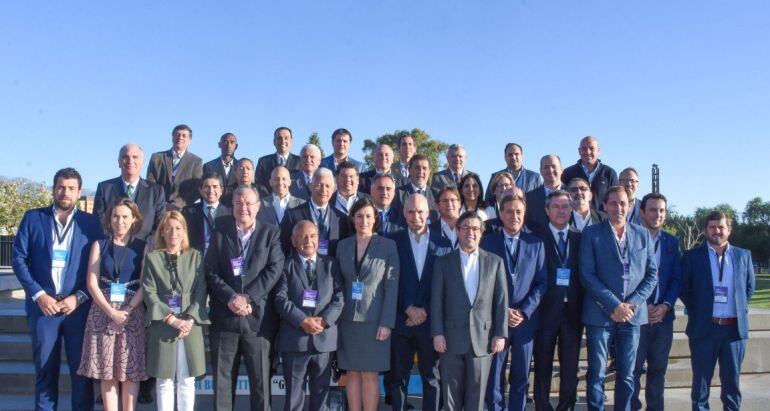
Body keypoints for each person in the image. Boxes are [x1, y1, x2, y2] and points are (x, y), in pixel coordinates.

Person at [12, 167, 103, 411]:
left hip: (78, 310)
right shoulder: (33, 218)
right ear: (54, 189)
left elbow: (98, 267)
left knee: (82, 378)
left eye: (71, 188)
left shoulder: (91, 224)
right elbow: (19, 259)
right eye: (61, 187)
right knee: (45, 374)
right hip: (44, 310)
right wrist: (39, 295)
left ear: (79, 192)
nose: (65, 192)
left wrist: (80, 297)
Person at [205, 185, 285, 411]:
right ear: (232, 208)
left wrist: (248, 297)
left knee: (260, 387)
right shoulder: (220, 230)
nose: (244, 208)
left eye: (249, 203)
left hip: (258, 321)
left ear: (258, 207)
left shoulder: (271, 232)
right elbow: (210, 270)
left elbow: (275, 268)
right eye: (239, 203)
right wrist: (231, 297)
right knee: (222, 386)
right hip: (225, 319)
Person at [579, 186, 658, 411]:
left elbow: (652, 275)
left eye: (623, 203)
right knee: (597, 372)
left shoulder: (642, 234)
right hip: (600, 315)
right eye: (613, 203)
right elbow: (587, 275)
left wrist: (630, 305)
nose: (619, 208)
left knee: (627, 373)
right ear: (604, 206)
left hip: (632, 317)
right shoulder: (592, 234)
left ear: (630, 205)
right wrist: (615, 305)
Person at [431, 212, 508, 411]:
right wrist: (437, 333)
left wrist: (500, 333)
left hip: (483, 340)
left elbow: (500, 301)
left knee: (477, 398)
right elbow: (436, 301)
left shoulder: (495, 262)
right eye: (465, 227)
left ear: (481, 233)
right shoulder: (443, 262)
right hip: (450, 339)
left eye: (475, 228)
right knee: (450, 399)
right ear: (457, 231)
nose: (470, 232)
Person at [77, 198, 149, 411]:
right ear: (110, 219)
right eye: (116, 216)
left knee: (130, 370)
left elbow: (145, 284)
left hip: (132, 313)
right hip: (102, 313)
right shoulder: (99, 245)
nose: (120, 221)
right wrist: (111, 312)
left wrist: (126, 312)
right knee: (106, 370)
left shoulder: (142, 247)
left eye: (125, 216)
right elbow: (92, 282)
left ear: (134, 219)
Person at [681, 210, 755, 411]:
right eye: (712, 227)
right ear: (706, 230)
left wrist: (736, 308)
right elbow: (684, 288)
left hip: (733, 330)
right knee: (701, 383)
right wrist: (700, 310)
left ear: (729, 230)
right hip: (705, 329)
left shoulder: (743, 255)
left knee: (732, 383)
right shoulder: (692, 256)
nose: (717, 231)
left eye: (721, 227)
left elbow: (748, 288)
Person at [481, 195, 547, 411]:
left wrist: (524, 311)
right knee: (495, 374)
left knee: (521, 375)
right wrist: (503, 310)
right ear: (500, 214)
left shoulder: (536, 244)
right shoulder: (488, 243)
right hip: (497, 320)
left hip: (525, 322)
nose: (514, 216)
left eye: (518, 211)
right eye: (509, 211)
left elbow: (541, 283)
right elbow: (483, 283)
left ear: (524, 213)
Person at [389, 194, 452, 411]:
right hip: (401, 321)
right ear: (404, 214)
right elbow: (389, 281)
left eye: (420, 211)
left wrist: (423, 311)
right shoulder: (392, 241)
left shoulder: (443, 244)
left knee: (431, 378)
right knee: (398, 378)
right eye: (411, 211)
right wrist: (407, 308)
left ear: (429, 213)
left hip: (430, 323)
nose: (416, 216)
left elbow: (444, 285)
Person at [336, 197, 400, 411]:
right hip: (347, 321)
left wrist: (387, 323)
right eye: (359, 216)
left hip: (375, 321)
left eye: (368, 216)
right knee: (352, 372)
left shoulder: (388, 246)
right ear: (353, 219)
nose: (364, 220)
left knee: (370, 374)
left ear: (375, 220)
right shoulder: (343, 246)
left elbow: (392, 287)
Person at [141, 211, 209, 411]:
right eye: (168, 228)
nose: (173, 232)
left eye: (178, 228)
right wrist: (171, 319)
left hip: (190, 325)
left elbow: (201, 289)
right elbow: (148, 291)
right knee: (164, 380)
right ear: (161, 231)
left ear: (184, 231)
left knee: (187, 380)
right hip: (163, 324)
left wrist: (188, 319)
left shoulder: (195, 256)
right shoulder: (153, 258)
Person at [275, 220, 345, 411]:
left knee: (321, 398)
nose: (308, 240)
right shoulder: (285, 266)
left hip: (323, 341)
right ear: (293, 240)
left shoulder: (331, 264)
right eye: (303, 236)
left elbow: (339, 297)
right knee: (293, 399)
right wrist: (302, 321)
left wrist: (324, 320)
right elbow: (280, 299)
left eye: (313, 236)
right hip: (295, 341)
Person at [532, 190, 583, 411]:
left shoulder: (582, 238)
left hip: (573, 311)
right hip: (544, 311)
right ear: (547, 210)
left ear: (571, 210)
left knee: (570, 366)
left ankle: (566, 406)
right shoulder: (535, 238)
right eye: (555, 206)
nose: (561, 211)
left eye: (565, 207)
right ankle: (542, 406)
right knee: (542, 364)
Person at [631, 193, 682, 411]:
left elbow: (676, 278)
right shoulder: (631, 238)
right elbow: (629, 276)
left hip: (664, 317)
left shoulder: (672, 242)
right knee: (632, 370)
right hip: (637, 316)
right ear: (641, 212)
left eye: (661, 210)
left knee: (658, 370)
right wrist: (644, 305)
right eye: (652, 209)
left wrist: (666, 305)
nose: (657, 214)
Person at [93, 143, 166, 241]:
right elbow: (99, 222)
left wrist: (144, 246)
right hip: (111, 249)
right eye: (125, 157)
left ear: (142, 162)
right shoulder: (104, 188)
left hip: (144, 251)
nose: (130, 161)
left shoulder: (156, 191)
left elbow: (160, 225)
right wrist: (116, 243)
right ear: (119, 162)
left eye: (135, 157)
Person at [281, 168, 351, 257]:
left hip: (331, 269)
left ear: (333, 189)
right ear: (310, 186)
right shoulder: (292, 215)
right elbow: (284, 247)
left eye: (327, 186)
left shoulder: (342, 218)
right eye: (319, 185)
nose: (323, 190)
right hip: (302, 269)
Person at [146, 124, 203, 209]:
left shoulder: (196, 161)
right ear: (172, 137)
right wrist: (162, 203)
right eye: (177, 134)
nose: (180, 137)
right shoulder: (157, 157)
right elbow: (150, 182)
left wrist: (178, 203)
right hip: (158, 207)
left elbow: (196, 188)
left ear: (189, 140)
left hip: (183, 210)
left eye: (184, 135)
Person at [561, 136, 618, 212]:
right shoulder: (568, 173)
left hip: (602, 221)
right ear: (579, 151)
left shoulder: (609, 173)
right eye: (584, 148)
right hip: (575, 221)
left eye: (591, 148)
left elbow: (615, 199)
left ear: (598, 150)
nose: (588, 152)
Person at [182, 172, 232, 254]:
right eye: (207, 187)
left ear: (221, 190)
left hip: (222, 262)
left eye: (215, 187)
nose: (211, 191)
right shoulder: (188, 212)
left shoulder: (230, 213)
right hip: (196, 260)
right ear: (200, 190)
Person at [525, 154, 565, 233]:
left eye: (554, 166)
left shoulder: (572, 194)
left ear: (561, 169)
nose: (550, 170)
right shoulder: (530, 198)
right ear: (541, 171)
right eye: (546, 167)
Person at [202, 132, 239, 200]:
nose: (229, 145)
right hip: (215, 206)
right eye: (225, 141)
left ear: (236, 146)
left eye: (232, 142)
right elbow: (203, 189)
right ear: (219, 144)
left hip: (236, 206)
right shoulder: (208, 166)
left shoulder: (241, 167)